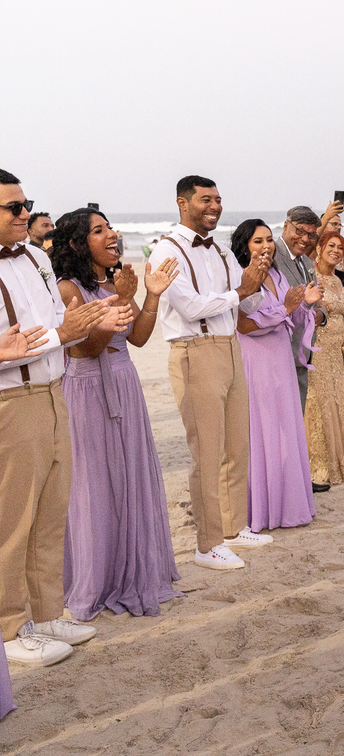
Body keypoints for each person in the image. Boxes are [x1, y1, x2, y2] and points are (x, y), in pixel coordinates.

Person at [0, 169, 129, 668]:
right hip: (12, 402)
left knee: (52, 512)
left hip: (55, 393)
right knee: (12, 519)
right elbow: (26, 342)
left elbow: (58, 321)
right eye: (14, 207)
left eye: (25, 203)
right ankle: (10, 627)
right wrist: (64, 333)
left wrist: (93, 322)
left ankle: (49, 613)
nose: (25, 214)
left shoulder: (35, 256)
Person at [52, 208, 185, 621]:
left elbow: (139, 338)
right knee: (92, 486)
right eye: (99, 230)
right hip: (87, 388)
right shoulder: (68, 289)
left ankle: (134, 569)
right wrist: (122, 301)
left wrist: (151, 295)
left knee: (130, 477)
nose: (112, 234)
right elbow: (85, 349)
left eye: (110, 227)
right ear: (77, 243)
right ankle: (94, 579)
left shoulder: (115, 281)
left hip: (125, 384)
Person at [149, 175, 274, 572]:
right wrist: (240, 293)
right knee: (206, 451)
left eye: (218, 200)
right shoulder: (164, 252)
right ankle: (207, 544)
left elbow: (245, 306)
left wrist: (257, 285)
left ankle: (234, 528)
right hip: (194, 352)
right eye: (206, 200)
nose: (214, 207)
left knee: (237, 445)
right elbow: (190, 306)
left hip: (230, 348)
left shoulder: (221, 248)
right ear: (182, 203)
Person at [231, 219, 323, 532]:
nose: (267, 246)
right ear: (245, 246)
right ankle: (263, 509)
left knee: (286, 427)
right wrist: (285, 309)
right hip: (256, 360)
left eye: (269, 240)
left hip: (282, 356)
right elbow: (243, 325)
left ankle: (290, 503)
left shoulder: (278, 274)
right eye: (258, 241)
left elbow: (292, 317)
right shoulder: (240, 279)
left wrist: (304, 306)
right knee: (263, 428)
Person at [306, 232, 344, 486]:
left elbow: (341, 316)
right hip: (316, 348)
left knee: (337, 397)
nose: (336, 250)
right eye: (330, 246)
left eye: (340, 247)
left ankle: (341, 456)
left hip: (335, 350)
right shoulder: (311, 277)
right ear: (319, 249)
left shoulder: (338, 278)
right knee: (319, 400)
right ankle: (318, 463)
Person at [274, 206, 324, 412]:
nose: (305, 239)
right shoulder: (272, 256)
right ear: (286, 226)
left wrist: (322, 314)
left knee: (297, 420)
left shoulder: (306, 260)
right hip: (280, 356)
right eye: (300, 231)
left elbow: (316, 298)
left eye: (311, 235)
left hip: (303, 355)